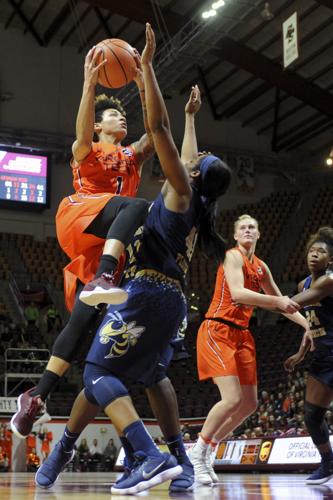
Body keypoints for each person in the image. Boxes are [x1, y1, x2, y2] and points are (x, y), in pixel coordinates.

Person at [34, 23, 232, 495]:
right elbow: (178, 150)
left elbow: (156, 131)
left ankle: (146, 454)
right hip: (171, 298)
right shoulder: (193, 202)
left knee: (97, 374)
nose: (191, 157)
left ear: (193, 174)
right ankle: (181, 462)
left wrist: (145, 72)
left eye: (196, 157)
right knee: (153, 375)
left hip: (142, 290)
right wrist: (189, 120)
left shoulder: (176, 190)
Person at [10, 44, 155, 439]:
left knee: (83, 323)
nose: (120, 117)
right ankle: (105, 276)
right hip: (80, 216)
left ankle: (36, 397)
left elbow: (156, 130)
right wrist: (89, 84)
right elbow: (80, 127)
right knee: (137, 205)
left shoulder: (132, 155)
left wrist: (144, 85)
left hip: (106, 242)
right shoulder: (87, 147)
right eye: (113, 114)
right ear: (98, 125)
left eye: (123, 114)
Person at [189, 213, 310, 485]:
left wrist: (307, 326)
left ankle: (209, 447)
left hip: (242, 335)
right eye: (242, 227)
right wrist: (278, 302)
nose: (247, 230)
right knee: (231, 399)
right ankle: (197, 452)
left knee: (249, 404)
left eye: (252, 227)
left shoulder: (262, 267)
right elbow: (239, 294)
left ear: (258, 234)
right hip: (217, 328)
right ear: (234, 235)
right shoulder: (232, 256)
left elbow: (283, 302)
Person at [284, 227, 333, 485]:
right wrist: (301, 352)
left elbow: (294, 304)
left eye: (321, 252)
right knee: (312, 415)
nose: (314, 255)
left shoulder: (329, 279)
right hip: (323, 354)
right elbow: (311, 324)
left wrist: (259, 300)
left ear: (331, 260)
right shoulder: (303, 283)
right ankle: (328, 463)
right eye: (312, 251)